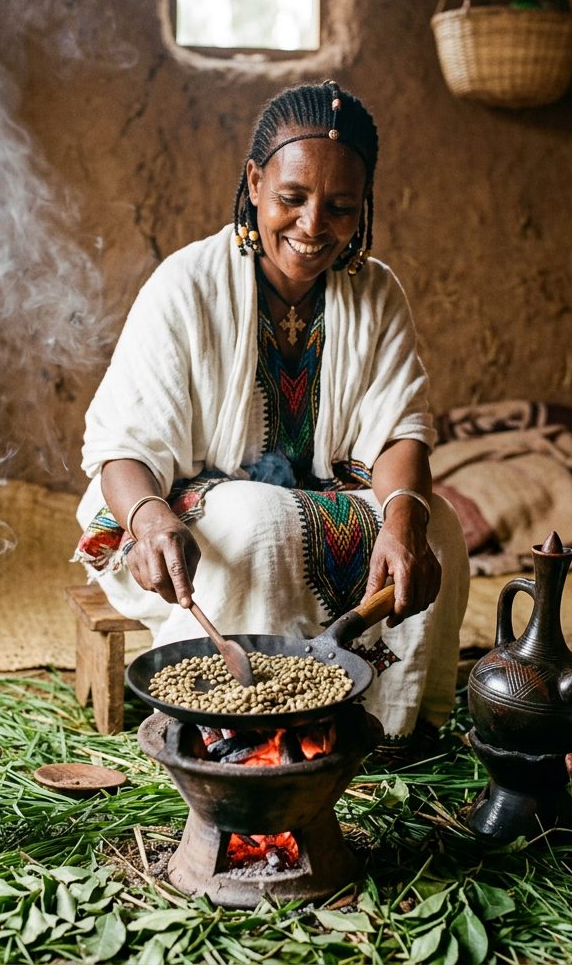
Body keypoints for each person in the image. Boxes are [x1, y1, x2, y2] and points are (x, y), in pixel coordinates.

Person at [75, 81, 469, 753]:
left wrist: (404, 516)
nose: (314, 226)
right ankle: (239, 728)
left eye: (341, 207)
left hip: (322, 484)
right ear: (255, 183)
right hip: (183, 493)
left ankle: (385, 729)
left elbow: (397, 429)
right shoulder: (186, 284)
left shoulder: (375, 291)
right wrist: (150, 520)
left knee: (438, 530)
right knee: (259, 523)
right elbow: (124, 446)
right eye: (292, 199)